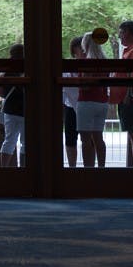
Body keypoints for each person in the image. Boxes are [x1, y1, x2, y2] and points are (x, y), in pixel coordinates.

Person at [77, 31, 109, 168]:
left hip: (86, 102)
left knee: (85, 140)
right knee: (98, 137)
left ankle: (88, 170)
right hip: (102, 101)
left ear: (85, 44)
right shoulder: (105, 61)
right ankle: (101, 168)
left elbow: (85, 85)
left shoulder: (87, 62)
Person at [116, 20, 133, 168]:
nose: (120, 37)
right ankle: (131, 169)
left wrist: (128, 95)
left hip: (131, 100)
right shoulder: (130, 50)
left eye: (121, 33)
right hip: (127, 98)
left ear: (128, 33)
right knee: (132, 136)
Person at [0, 43, 25, 168]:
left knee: (9, 141)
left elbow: (1, 93)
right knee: (26, 142)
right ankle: (26, 169)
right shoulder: (28, 70)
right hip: (26, 110)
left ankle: (5, 169)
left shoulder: (6, 72)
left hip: (10, 109)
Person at [62, 36, 83, 168]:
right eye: (80, 47)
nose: (82, 50)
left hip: (84, 104)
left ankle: (89, 167)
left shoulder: (90, 64)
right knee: (70, 139)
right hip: (71, 106)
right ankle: (72, 168)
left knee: (90, 138)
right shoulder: (69, 66)